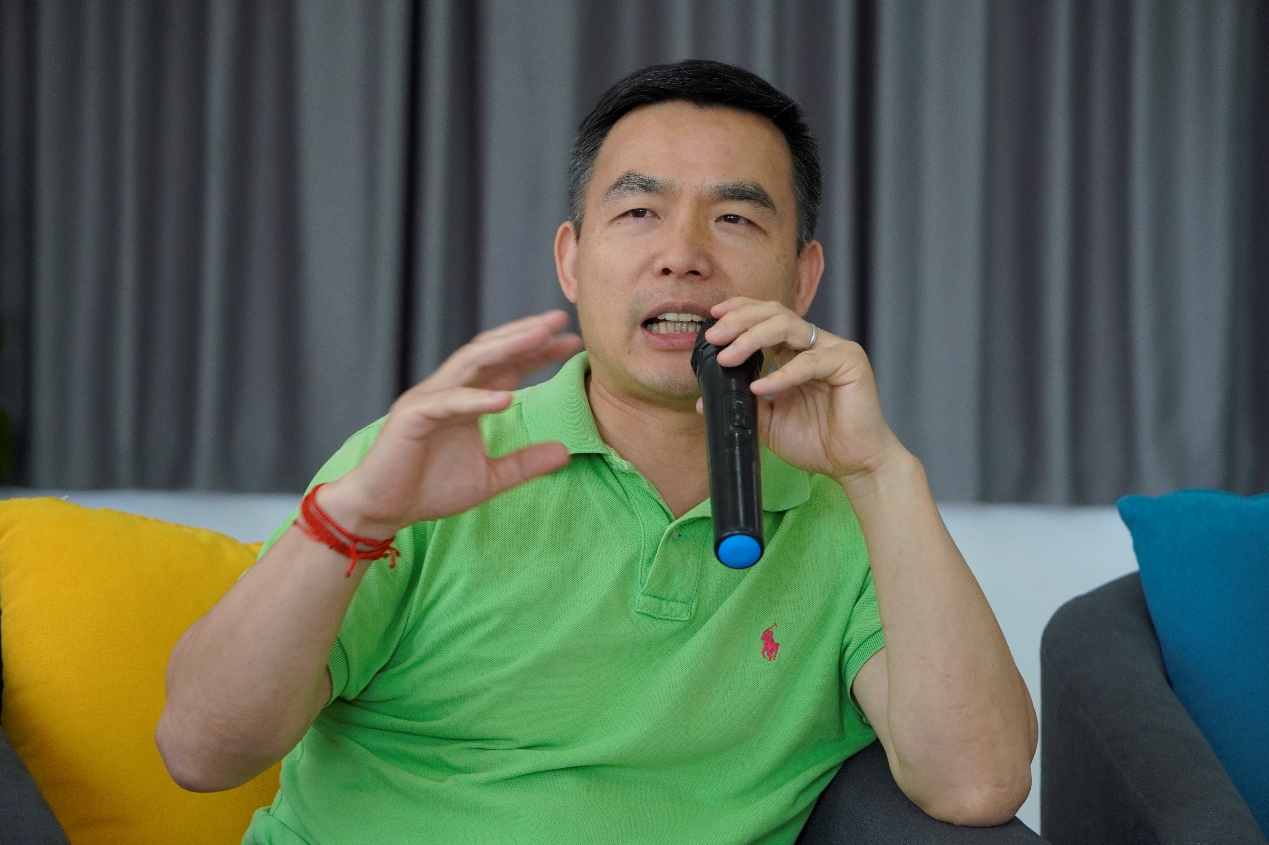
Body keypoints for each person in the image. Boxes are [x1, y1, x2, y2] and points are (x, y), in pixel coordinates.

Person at [157, 59, 1037, 844]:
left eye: (734, 217)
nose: (682, 256)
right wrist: (358, 516)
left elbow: (975, 784)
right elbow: (199, 750)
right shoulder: (423, 462)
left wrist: (882, 473)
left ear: (801, 278)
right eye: (639, 211)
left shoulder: (852, 507)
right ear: (572, 261)